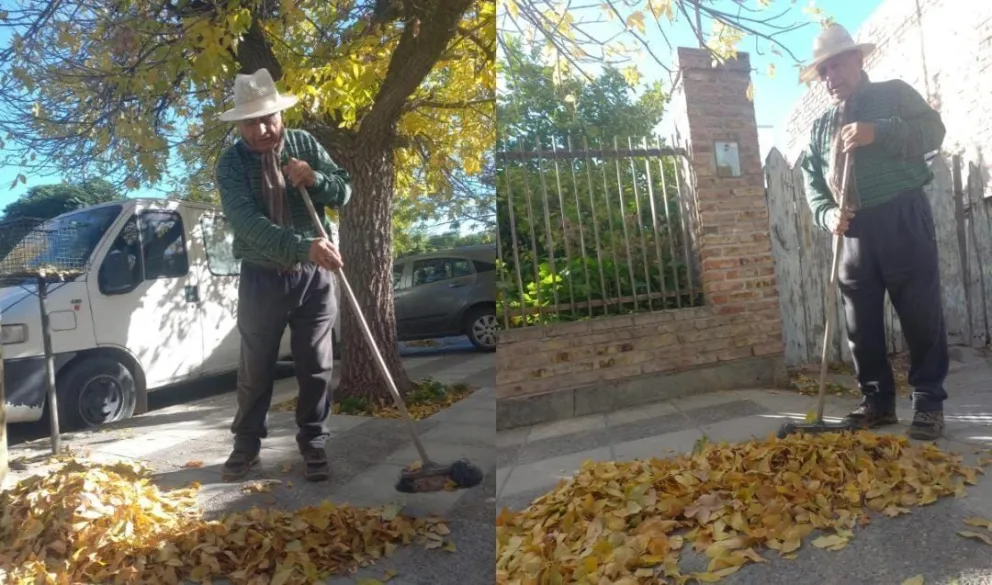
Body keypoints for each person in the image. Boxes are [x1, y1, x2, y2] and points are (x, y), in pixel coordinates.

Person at [798, 23, 949, 440]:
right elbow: (812, 180)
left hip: (903, 217)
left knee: (920, 315)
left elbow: (933, 132)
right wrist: (827, 214)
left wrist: (878, 131)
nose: (831, 77)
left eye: (837, 65)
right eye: (824, 71)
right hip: (853, 229)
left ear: (858, 59)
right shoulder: (820, 126)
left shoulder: (894, 94)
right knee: (859, 323)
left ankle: (928, 404)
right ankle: (877, 402)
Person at [215, 68, 352, 481]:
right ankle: (246, 445)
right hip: (262, 276)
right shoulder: (230, 165)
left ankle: (313, 442)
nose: (261, 130)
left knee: (315, 364)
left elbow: (345, 189)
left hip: (314, 277)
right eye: (251, 122)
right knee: (256, 366)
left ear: (281, 115)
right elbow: (248, 223)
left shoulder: (304, 144)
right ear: (239, 125)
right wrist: (301, 245)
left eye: (267, 118)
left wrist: (317, 179)